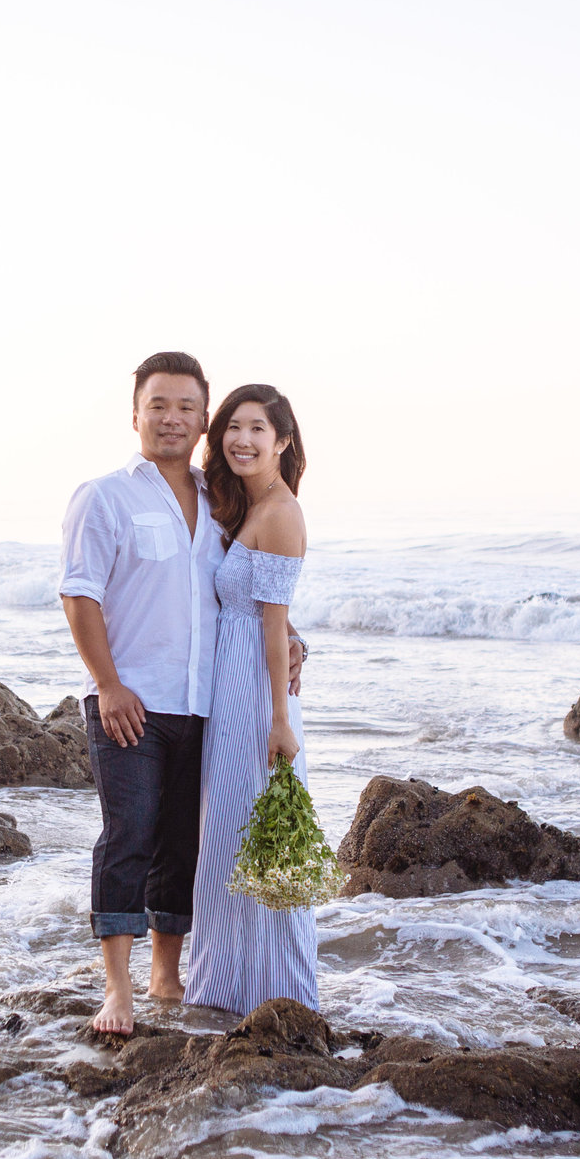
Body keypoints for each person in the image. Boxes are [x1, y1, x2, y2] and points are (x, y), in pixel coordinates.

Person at [59, 352, 302, 1035]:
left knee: (182, 847)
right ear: (135, 413)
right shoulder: (105, 495)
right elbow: (79, 596)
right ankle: (118, 988)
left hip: (206, 704)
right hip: (129, 700)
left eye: (186, 407)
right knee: (128, 836)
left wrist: (296, 638)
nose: (172, 418)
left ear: (202, 418)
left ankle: (167, 974)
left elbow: (249, 588)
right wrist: (107, 685)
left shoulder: (221, 501)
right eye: (158, 405)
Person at [183, 384, 319, 1016]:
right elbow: (277, 622)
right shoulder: (250, 505)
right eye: (232, 426)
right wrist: (295, 640)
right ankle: (224, 992)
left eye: (257, 429)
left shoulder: (282, 512)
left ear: (282, 440)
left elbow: (272, 622)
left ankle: (271, 994)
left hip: (254, 697)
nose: (241, 439)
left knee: (247, 839)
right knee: (228, 840)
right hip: (236, 683)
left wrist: (281, 722)